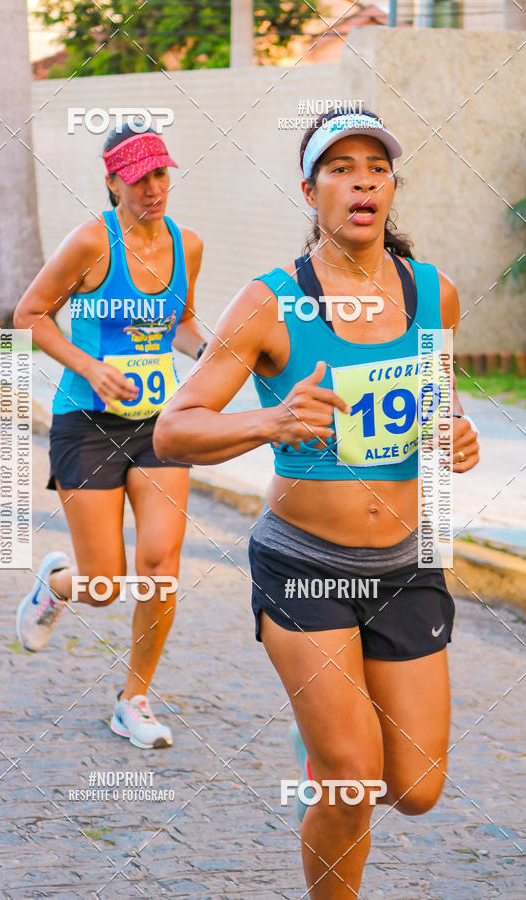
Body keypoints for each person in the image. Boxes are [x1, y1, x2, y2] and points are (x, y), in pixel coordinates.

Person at [153, 109, 480, 895]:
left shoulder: (433, 293)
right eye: (340, 168)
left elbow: (437, 394)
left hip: (405, 564)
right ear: (310, 191)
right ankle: (333, 765)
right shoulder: (270, 303)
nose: (362, 181)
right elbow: (174, 430)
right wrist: (268, 421)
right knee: (352, 781)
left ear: (391, 187)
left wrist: (456, 430)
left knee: (417, 789)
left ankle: (327, 755)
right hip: (304, 564)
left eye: (376, 167)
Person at [14, 124, 207, 749]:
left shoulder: (188, 245)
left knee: (160, 568)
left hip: (158, 426)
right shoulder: (91, 242)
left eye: (161, 174)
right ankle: (56, 585)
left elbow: (182, 322)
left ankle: (133, 700)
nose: (153, 189)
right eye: (138, 178)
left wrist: (209, 351)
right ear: (112, 181)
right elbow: (29, 315)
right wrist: (91, 367)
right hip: (88, 425)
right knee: (102, 586)